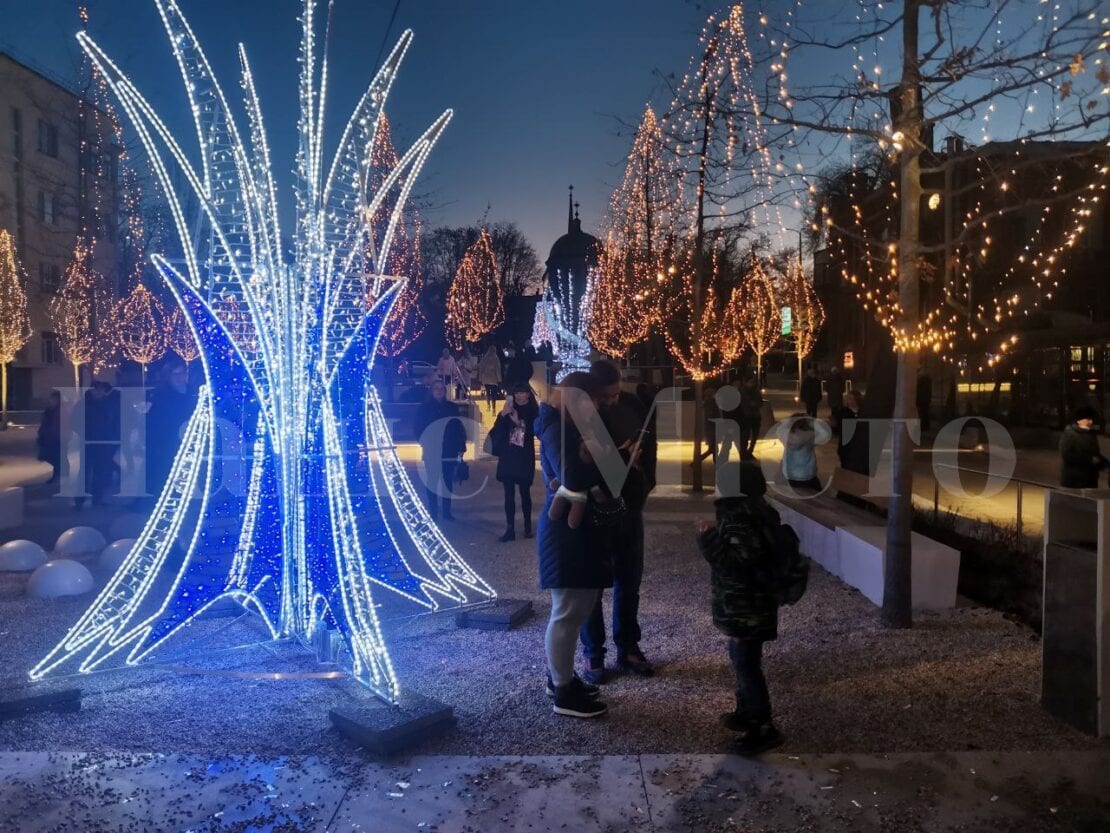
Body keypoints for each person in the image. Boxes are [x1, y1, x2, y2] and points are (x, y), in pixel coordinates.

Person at [536, 372, 614, 719]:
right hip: (566, 532)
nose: (600, 406)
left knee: (576, 608)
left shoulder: (568, 428)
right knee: (567, 612)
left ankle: (561, 679)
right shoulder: (559, 430)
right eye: (595, 399)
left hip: (577, 531)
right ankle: (563, 691)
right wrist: (592, 456)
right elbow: (574, 478)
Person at [696, 462, 785, 755]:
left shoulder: (738, 517)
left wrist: (708, 539)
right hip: (754, 604)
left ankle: (762, 725)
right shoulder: (758, 510)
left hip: (746, 606)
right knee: (743, 657)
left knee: (746, 663)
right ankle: (746, 712)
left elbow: (738, 561)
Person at [579, 359, 657, 684]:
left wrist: (643, 484)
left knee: (629, 580)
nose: (612, 400)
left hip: (629, 508)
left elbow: (648, 447)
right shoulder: (582, 414)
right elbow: (579, 466)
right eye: (605, 396)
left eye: (615, 393)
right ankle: (593, 651)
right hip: (594, 512)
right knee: (592, 586)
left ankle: (627, 645)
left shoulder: (632, 405)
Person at [490, 384, 539, 541]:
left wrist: (519, 422)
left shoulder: (533, 412)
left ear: (528, 395)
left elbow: (534, 432)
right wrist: (503, 415)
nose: (519, 395)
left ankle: (527, 526)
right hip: (509, 456)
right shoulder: (508, 409)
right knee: (508, 494)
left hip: (524, 456)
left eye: (523, 392)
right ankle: (510, 528)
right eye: (517, 391)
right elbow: (496, 431)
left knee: (525, 492)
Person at [416, 379, 466, 520]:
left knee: (447, 482)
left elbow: (458, 428)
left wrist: (461, 447)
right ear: (432, 391)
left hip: (448, 450)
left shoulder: (451, 407)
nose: (439, 391)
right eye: (436, 388)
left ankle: (446, 511)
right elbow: (418, 428)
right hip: (432, 449)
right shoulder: (424, 408)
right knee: (432, 481)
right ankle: (433, 511)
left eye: (441, 388)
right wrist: (424, 442)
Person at [146, 363, 196, 500]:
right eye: (176, 374)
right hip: (168, 444)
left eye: (183, 373)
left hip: (190, 442)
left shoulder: (194, 394)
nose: (181, 377)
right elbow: (155, 424)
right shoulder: (162, 397)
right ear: (168, 377)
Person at [777, 414, 831, 491]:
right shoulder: (810, 436)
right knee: (815, 493)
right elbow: (825, 434)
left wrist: (787, 421)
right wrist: (814, 422)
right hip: (806, 474)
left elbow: (779, 429)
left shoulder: (785, 436)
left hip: (788, 474)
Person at [1059, 406, 1108, 488]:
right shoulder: (1070, 434)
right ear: (1079, 420)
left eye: (1091, 419)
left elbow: (1095, 454)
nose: (1090, 422)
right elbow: (1067, 455)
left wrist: (1104, 463)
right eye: (1087, 419)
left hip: (1090, 479)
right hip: (1074, 480)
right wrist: (1089, 459)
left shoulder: (1091, 434)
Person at [836, 389, 869, 475]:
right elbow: (840, 429)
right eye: (847, 398)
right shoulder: (843, 412)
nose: (848, 401)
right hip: (847, 447)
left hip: (861, 446)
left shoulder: (864, 412)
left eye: (850, 398)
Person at [36, 390, 63, 483]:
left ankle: (58, 474)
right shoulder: (49, 410)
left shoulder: (61, 410)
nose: (51, 400)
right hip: (49, 436)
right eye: (51, 399)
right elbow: (44, 423)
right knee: (51, 456)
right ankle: (59, 473)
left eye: (54, 399)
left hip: (58, 437)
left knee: (56, 457)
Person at [738, 376, 763, 460]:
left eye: (754, 382)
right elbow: (741, 403)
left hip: (755, 416)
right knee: (745, 436)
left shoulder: (756, 391)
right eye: (751, 382)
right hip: (746, 416)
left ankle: (750, 451)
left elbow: (760, 402)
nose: (753, 384)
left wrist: (755, 404)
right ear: (745, 382)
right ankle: (743, 453)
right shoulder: (741, 392)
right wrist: (749, 404)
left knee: (755, 436)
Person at [478, 345, 503, 413]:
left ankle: (488, 406)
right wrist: (499, 380)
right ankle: (494, 409)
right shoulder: (496, 358)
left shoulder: (485, 358)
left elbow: (481, 368)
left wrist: (480, 378)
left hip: (486, 379)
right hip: (493, 379)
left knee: (488, 393)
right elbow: (498, 370)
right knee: (493, 394)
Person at [826, 366, 845, 430]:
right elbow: (843, 387)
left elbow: (826, 387)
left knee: (833, 412)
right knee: (838, 412)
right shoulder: (839, 378)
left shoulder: (829, 378)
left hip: (832, 398)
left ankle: (834, 427)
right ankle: (838, 426)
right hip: (838, 398)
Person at [916, 369, 934, 434]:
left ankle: (924, 427)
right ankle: (925, 427)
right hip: (925, 400)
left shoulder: (921, 382)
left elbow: (919, 392)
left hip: (922, 400)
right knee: (925, 413)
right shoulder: (927, 382)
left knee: (923, 414)